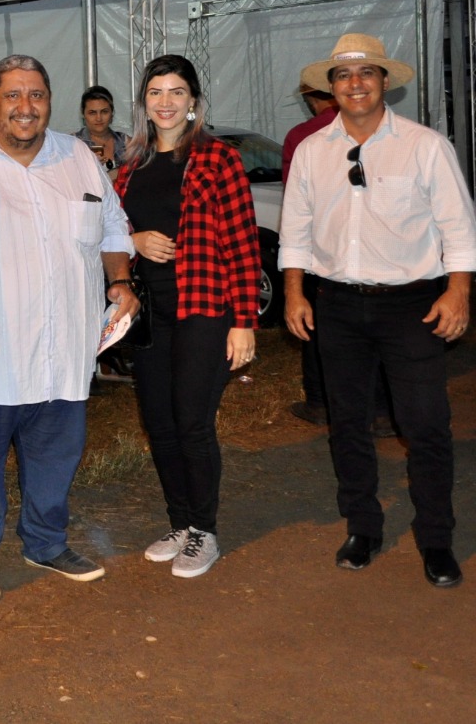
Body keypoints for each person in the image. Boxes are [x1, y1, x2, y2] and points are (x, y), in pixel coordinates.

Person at [280, 33, 476, 588]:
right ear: (330, 88)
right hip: (336, 305)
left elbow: (458, 226)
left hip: (411, 305)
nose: (355, 83)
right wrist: (294, 293)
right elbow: (294, 229)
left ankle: (436, 538)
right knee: (347, 423)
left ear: (384, 82)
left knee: (426, 425)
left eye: (366, 73)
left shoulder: (424, 146)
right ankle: (363, 527)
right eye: (343, 76)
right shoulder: (313, 153)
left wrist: (458, 291)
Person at [0, 55, 139, 604]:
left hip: (67, 343)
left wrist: (121, 281)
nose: (25, 107)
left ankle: (46, 541)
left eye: (36, 95)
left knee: (57, 453)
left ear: (50, 102)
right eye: (12, 95)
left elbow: (112, 225)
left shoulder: (78, 156)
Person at [114, 54, 260, 579]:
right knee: (160, 423)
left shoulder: (218, 159)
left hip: (204, 310)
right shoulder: (130, 169)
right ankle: (180, 522)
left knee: (192, 423)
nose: (167, 102)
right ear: (144, 102)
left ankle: (204, 529)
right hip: (151, 317)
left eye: (177, 91)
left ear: (194, 100)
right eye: (156, 92)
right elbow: (106, 236)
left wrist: (244, 321)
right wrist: (133, 239)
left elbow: (244, 246)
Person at [281, 85, 394, 437]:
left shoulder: (302, 137)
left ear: (313, 99)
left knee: (318, 331)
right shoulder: (388, 131)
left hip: (322, 253)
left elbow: (294, 199)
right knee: (380, 333)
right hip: (379, 251)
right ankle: (381, 411)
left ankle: (320, 403)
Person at [75, 85, 129, 182]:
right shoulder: (72, 143)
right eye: (92, 113)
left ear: (112, 113)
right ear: (83, 114)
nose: (99, 118)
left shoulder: (127, 142)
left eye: (104, 112)